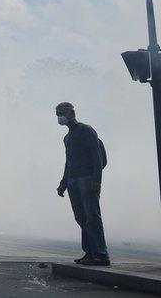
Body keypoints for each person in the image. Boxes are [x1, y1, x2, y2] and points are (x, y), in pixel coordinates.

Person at [55, 102, 109, 266]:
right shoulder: (67, 137)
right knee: (81, 218)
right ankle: (89, 253)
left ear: (71, 113)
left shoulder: (87, 130)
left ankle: (101, 255)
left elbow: (97, 157)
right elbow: (68, 162)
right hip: (73, 181)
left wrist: (96, 180)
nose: (59, 117)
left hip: (87, 179)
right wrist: (63, 183)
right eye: (57, 113)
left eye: (62, 113)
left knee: (92, 216)